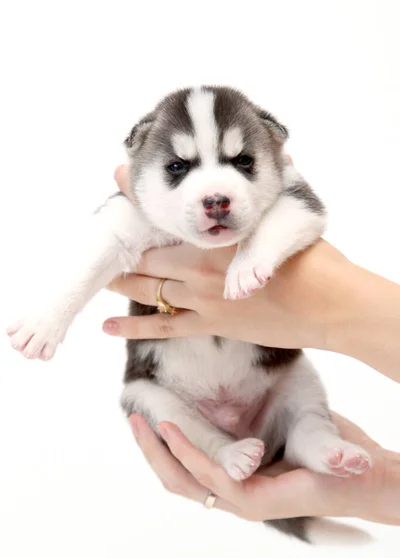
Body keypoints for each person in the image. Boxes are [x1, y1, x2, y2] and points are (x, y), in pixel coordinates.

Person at [102, 163, 400, 526]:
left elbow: (306, 211)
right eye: (180, 167)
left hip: (267, 386)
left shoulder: (267, 189)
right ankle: (220, 447)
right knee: (141, 396)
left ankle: (315, 440)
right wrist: (380, 487)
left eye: (241, 162)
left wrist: (312, 296)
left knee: (298, 386)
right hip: (180, 393)